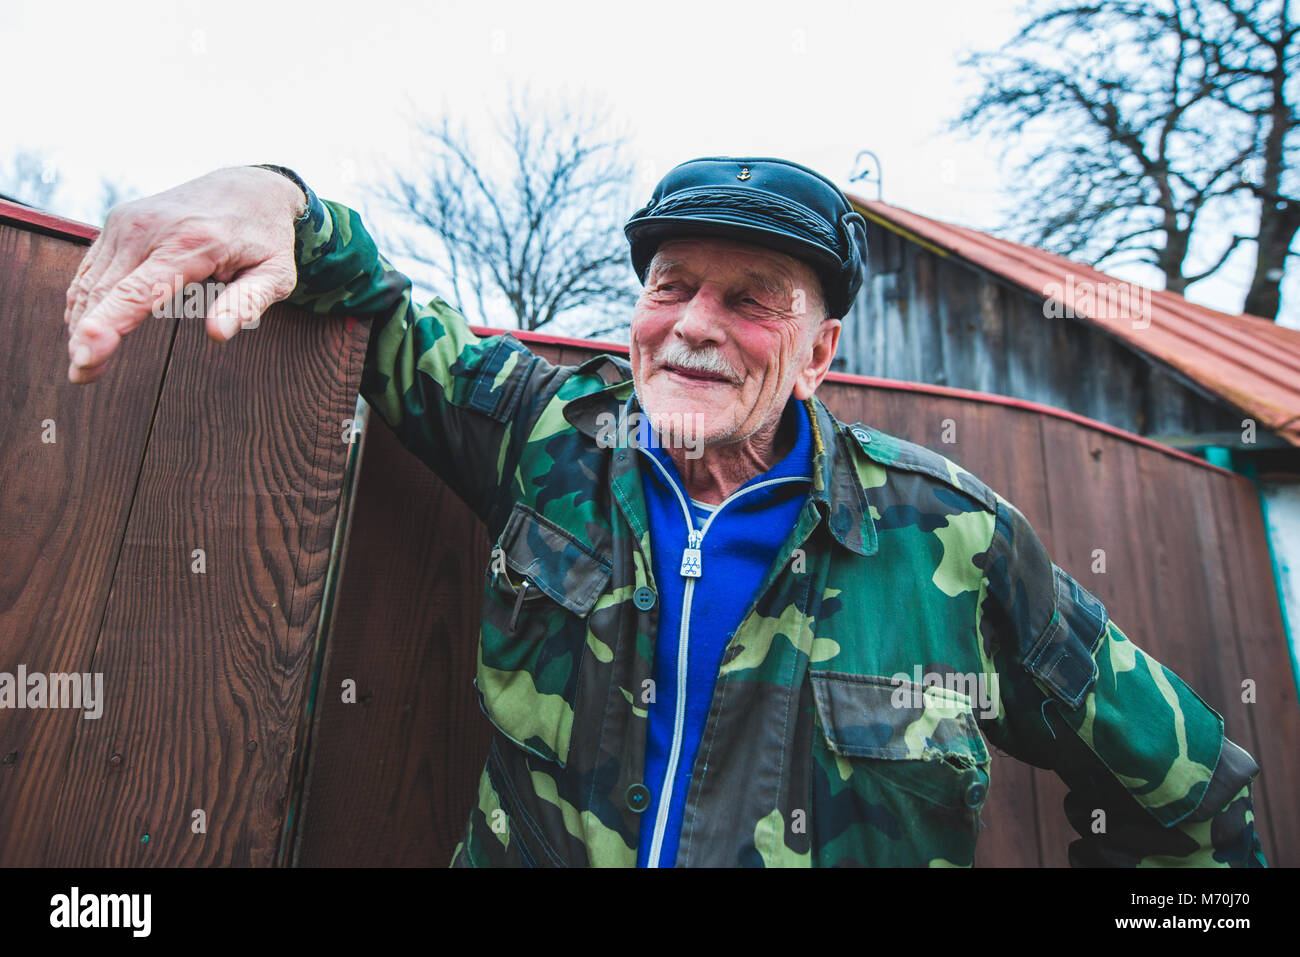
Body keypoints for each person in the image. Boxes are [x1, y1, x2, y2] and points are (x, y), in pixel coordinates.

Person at [63, 155, 1267, 868]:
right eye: (670, 284)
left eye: (749, 300)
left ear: (817, 350)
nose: (692, 323)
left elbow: (1198, 794)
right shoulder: (550, 438)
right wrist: (274, 193)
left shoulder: (950, 538)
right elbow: (377, 311)